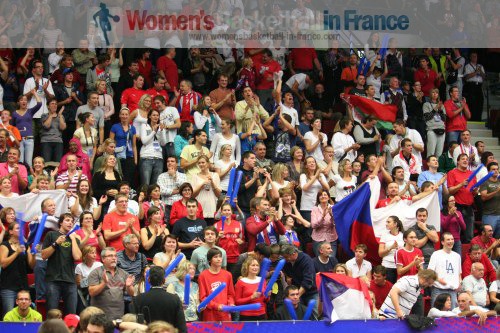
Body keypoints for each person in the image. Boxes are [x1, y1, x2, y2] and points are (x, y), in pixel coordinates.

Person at [41, 213, 82, 314]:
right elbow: (43, 256)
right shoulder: (51, 235)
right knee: (52, 313)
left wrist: (73, 239)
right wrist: (55, 243)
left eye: (72, 221)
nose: (70, 223)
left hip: (70, 280)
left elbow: (77, 257)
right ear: (60, 223)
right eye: (67, 220)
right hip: (53, 280)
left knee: (71, 314)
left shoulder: (75, 238)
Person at [132, 266, 187, 331]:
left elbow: (134, 326)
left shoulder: (138, 299)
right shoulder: (175, 299)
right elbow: (182, 327)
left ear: (148, 280)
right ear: (164, 280)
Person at [88, 247, 135, 320]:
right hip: (100, 315)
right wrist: (104, 283)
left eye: (115, 256)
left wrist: (128, 286)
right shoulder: (96, 272)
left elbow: (132, 293)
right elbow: (91, 292)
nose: (114, 258)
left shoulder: (123, 273)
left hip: (119, 314)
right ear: (103, 259)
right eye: (110, 256)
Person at [0, 222, 35, 314]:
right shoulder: (5, 245)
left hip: (23, 285)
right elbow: (3, 264)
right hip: (8, 286)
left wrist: (34, 254)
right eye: (18, 228)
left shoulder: (26, 245)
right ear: (11, 232)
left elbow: (31, 265)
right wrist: (16, 252)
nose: (21, 230)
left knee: (24, 313)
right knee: (8, 313)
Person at [198, 248, 235, 321]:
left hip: (225, 313)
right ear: (209, 260)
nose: (219, 259)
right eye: (215, 257)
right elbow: (203, 297)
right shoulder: (203, 275)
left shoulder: (228, 275)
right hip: (210, 314)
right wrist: (216, 306)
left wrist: (231, 303)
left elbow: (231, 294)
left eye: (220, 256)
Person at [448, 153, 477, 243]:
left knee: (469, 236)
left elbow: (474, 193)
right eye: (463, 159)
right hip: (457, 207)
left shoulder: (471, 174)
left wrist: (475, 190)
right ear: (458, 161)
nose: (465, 160)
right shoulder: (452, 173)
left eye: (467, 159)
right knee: (456, 235)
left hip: (469, 207)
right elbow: (450, 191)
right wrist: (461, 184)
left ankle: (469, 255)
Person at [281, 244, 318, 309]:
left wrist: (297, 296)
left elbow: (308, 281)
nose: (285, 259)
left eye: (286, 257)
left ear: (294, 253)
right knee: (299, 314)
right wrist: (287, 277)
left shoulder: (306, 260)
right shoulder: (287, 262)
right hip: (297, 291)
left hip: (311, 292)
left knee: (314, 313)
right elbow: (286, 271)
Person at [190, 155, 221, 225]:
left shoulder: (215, 175)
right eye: (199, 163)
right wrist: (201, 185)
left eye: (203, 162)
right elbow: (192, 195)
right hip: (199, 208)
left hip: (211, 207)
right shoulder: (195, 176)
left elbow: (218, 194)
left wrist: (212, 182)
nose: (201, 164)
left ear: (208, 163)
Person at [109, 107, 138, 183]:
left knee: (129, 178)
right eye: (122, 114)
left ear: (129, 116)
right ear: (119, 115)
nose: (124, 116)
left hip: (129, 155)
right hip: (118, 155)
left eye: (126, 114)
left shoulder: (133, 128)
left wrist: (135, 160)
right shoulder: (115, 127)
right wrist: (111, 156)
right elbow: (110, 143)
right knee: (118, 176)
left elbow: (134, 145)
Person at [234, 256, 268, 321]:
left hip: (261, 314)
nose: (255, 267)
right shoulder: (241, 282)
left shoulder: (262, 280)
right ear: (247, 267)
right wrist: (251, 297)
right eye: (253, 265)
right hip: (246, 315)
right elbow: (237, 301)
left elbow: (265, 300)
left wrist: (267, 295)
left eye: (257, 265)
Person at [311, 189, 337, 258]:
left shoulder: (333, 208)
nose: (323, 196)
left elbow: (335, 224)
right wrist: (323, 217)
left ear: (328, 197)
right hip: (318, 239)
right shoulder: (314, 209)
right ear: (318, 198)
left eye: (325, 195)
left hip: (331, 238)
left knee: (331, 259)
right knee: (321, 260)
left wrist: (332, 216)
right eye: (320, 195)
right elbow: (313, 225)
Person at [378, 216, 404, 284]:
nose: (386, 224)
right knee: (389, 289)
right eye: (386, 222)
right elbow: (380, 254)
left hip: (400, 267)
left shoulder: (403, 235)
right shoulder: (384, 235)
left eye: (388, 222)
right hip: (387, 267)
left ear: (395, 224)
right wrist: (390, 248)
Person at [423, 88, 446, 157]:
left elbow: (444, 119)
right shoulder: (426, 104)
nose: (435, 94)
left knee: (439, 154)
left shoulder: (442, 105)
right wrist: (435, 108)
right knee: (431, 153)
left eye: (436, 93)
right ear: (430, 94)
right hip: (431, 130)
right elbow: (427, 117)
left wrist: (440, 110)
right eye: (433, 92)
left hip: (441, 129)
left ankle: (437, 167)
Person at [479, 162, 500, 238]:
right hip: (489, 215)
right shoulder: (485, 182)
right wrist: (496, 191)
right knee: (488, 238)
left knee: (498, 241)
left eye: (497, 169)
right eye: (493, 169)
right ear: (488, 171)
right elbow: (483, 197)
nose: (496, 171)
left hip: (499, 214)